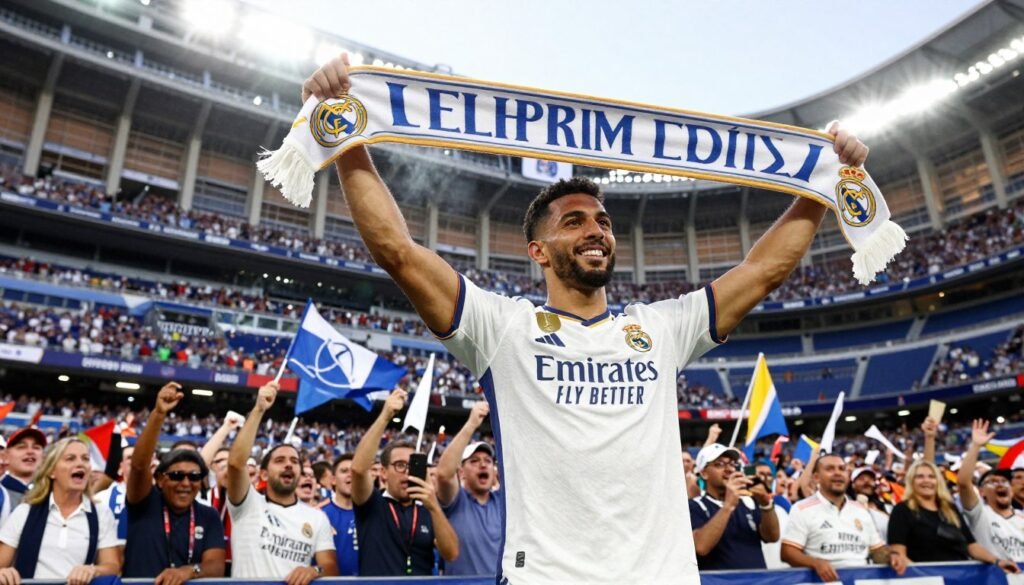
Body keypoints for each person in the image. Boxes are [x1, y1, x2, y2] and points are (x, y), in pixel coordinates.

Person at [303, 52, 868, 584]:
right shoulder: (503, 328)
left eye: (602, 220)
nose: (596, 229)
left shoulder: (661, 327)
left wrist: (819, 187)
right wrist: (348, 137)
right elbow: (398, 251)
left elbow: (763, 270)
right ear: (539, 251)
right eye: (573, 222)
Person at [226, 383, 338, 582]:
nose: (288, 465)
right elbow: (235, 464)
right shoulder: (246, 505)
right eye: (280, 461)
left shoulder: (317, 518)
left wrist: (315, 571)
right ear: (263, 475)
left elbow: (330, 567)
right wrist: (259, 409)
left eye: (294, 462)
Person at [124, 381, 226, 581]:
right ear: (160, 479)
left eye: (194, 476)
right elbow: (138, 466)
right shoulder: (144, 502)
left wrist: (186, 572)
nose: (186, 483)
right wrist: (159, 414)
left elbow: (216, 566)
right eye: (177, 476)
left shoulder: (209, 515)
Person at [351, 390, 459, 576]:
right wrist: (385, 416)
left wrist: (434, 506)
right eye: (400, 465)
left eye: (413, 466)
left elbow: (451, 553)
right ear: (384, 472)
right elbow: (359, 470)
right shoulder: (371, 504)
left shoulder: (427, 510)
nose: (407, 473)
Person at [0, 438, 120, 584]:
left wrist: (93, 570)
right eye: (70, 459)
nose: (80, 463)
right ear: (52, 471)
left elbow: (112, 565)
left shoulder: (101, 513)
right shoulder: (25, 511)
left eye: (85, 458)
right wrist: (4, 572)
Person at [888, 459, 1018, 574]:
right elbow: (899, 555)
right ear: (911, 481)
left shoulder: (949, 509)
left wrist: (997, 561)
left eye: (932, 476)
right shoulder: (902, 510)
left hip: (961, 577)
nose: (926, 481)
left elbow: (972, 546)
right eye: (920, 477)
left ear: (938, 481)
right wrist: (927, 578)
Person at [781, 453, 890, 581]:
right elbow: (787, 553)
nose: (837, 473)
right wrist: (815, 563)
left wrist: (892, 557)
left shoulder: (861, 510)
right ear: (816, 477)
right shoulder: (802, 509)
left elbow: (876, 551)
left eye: (842, 469)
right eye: (830, 469)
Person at [436, 401, 502, 576]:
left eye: (488, 461)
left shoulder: (503, 502)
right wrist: (472, 423)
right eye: (474, 461)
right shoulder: (456, 500)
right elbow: (443, 474)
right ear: (461, 472)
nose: (483, 465)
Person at [689, 444, 778, 570]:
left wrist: (766, 504)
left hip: (758, 581)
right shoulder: (694, 506)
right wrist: (728, 505)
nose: (729, 469)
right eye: (719, 464)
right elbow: (701, 547)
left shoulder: (749, 502)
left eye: (732, 464)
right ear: (704, 473)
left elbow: (772, 537)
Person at [956, 419, 1024, 562]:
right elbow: (963, 483)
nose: (1000, 484)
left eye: (1005, 481)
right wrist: (975, 446)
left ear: (1011, 490)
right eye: (992, 482)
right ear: (981, 492)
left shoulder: (1021, 517)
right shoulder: (980, 514)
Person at [318, 454, 359, 576]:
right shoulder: (319, 514)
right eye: (344, 471)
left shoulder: (374, 513)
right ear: (333, 480)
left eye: (354, 471)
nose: (350, 475)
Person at [1, 428, 45, 510]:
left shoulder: (51, 493)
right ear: (5, 456)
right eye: (21, 447)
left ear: (43, 457)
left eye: (36, 447)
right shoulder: (2, 493)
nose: (30, 451)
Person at [848, 466, 890, 541]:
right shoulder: (846, 506)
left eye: (871, 479)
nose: (867, 481)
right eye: (861, 479)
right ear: (853, 484)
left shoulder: (886, 507)